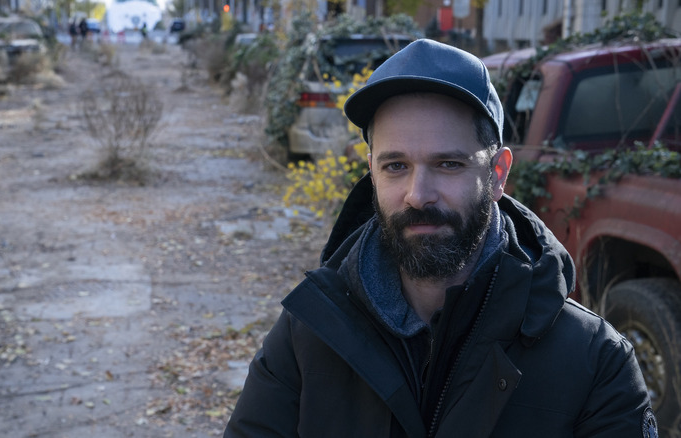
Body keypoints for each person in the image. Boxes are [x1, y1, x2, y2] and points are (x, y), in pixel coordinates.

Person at [224, 39, 655, 437]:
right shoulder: (309, 332)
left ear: (498, 173)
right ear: (371, 170)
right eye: (396, 166)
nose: (418, 195)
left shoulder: (594, 360)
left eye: (448, 164)